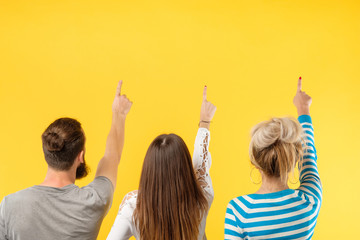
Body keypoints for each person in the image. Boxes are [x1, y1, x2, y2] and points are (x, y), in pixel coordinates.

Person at [0, 81, 132, 240]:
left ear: (47, 153)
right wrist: (119, 113)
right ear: (80, 156)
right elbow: (113, 155)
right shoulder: (95, 201)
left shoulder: (9, 206)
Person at [107, 86, 216, 240]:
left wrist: (118, 114)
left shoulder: (134, 207)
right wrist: (205, 122)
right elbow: (201, 165)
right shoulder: (202, 198)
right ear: (185, 169)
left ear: (148, 170)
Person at [224, 78, 322, 239]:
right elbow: (309, 159)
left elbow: (308, 155)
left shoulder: (238, 211)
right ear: (294, 160)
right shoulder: (309, 201)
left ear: (255, 162)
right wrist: (303, 109)